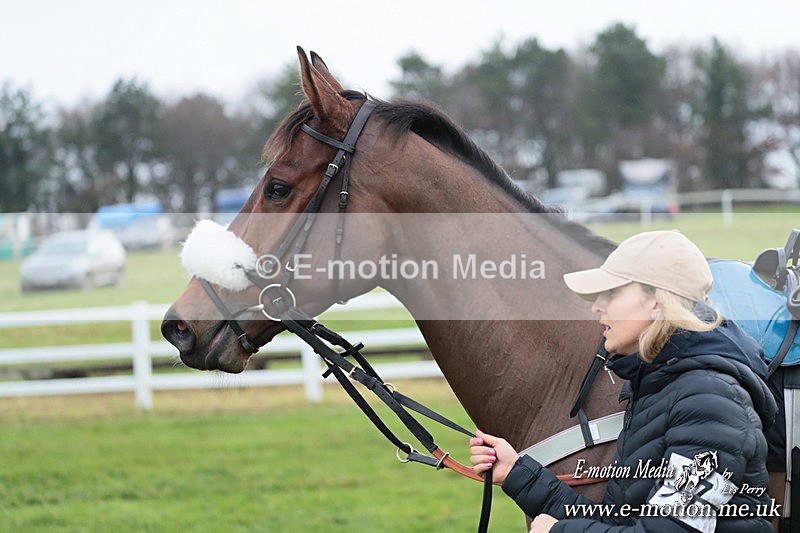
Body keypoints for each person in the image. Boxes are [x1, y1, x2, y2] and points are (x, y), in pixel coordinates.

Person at [469, 230, 777, 532]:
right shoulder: (662, 387)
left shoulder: (711, 402)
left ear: (656, 301)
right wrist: (516, 473)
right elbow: (620, 521)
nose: (596, 306)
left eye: (612, 293)